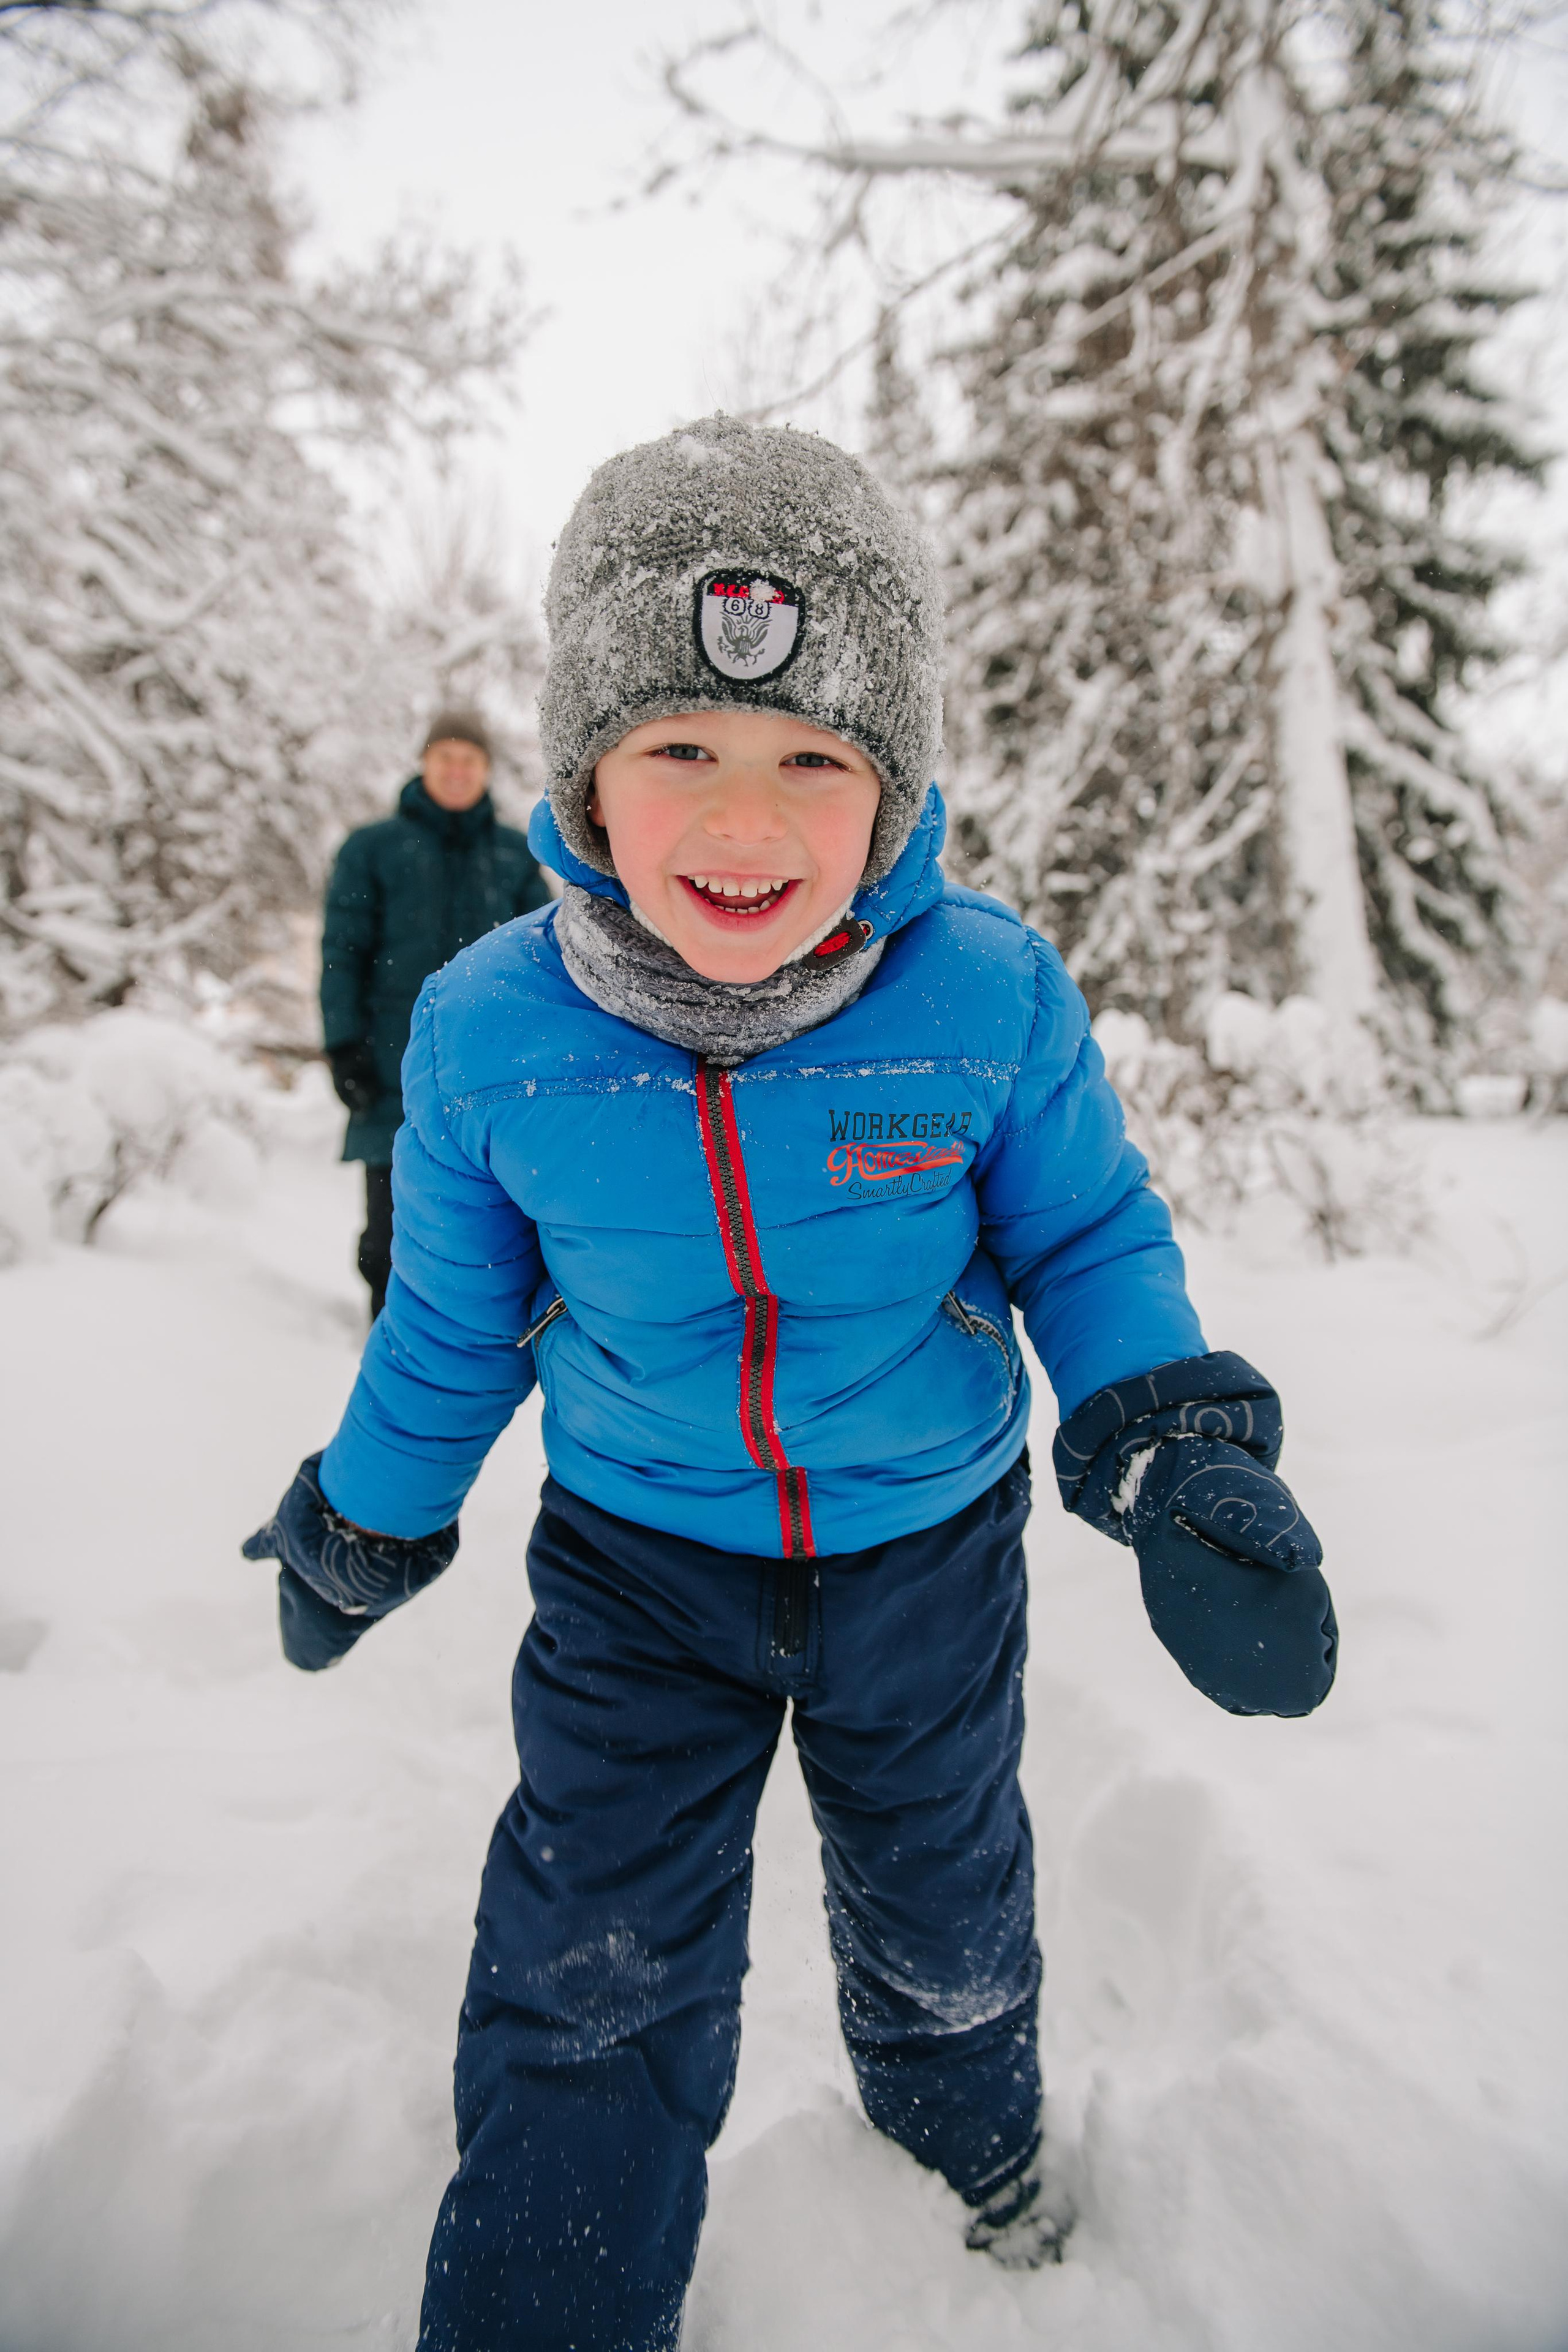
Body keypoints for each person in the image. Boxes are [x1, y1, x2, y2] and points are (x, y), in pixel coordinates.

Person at [246, 417, 1337, 2351]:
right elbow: (448, 1328)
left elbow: (1086, 1241)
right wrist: (363, 1520)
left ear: (892, 786)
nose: (744, 826)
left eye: (813, 760)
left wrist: (1172, 1443)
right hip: (633, 1566)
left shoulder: (984, 996)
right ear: (584, 772)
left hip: (924, 1559)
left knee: (943, 1914)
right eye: (681, 749)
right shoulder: (492, 1034)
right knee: (590, 1968)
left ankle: (967, 2180)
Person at [319, 712, 549, 1317]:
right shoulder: (373, 849)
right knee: (389, 1228)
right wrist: (343, 1045)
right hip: (389, 1067)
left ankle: (475, 1342)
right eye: (445, 757)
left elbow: (547, 959)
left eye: (469, 759)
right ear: (424, 763)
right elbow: (342, 952)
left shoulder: (512, 855)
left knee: (487, 1232)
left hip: (492, 1073)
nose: (456, 770)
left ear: (486, 770)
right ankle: (387, 1334)